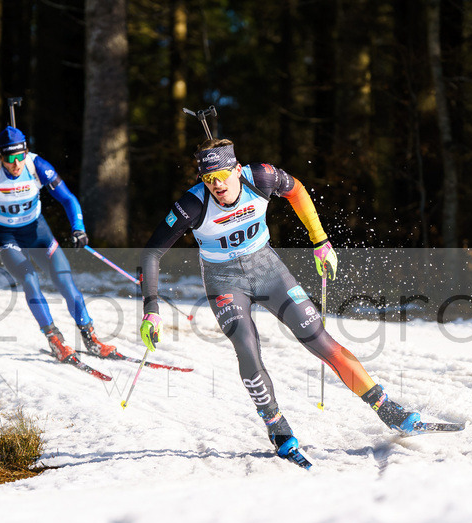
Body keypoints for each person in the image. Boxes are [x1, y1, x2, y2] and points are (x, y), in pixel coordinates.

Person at [138, 137, 420, 468]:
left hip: (268, 269)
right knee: (246, 344)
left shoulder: (261, 178)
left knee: (318, 337)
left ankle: (388, 409)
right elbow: (150, 254)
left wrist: (321, 241)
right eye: (208, 179)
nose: (217, 185)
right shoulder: (193, 205)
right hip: (224, 281)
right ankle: (277, 428)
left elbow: (297, 190)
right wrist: (151, 311)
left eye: (223, 176)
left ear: (237, 169)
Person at [0, 126, 116, 362]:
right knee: (29, 278)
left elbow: (68, 198)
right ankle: (54, 340)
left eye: (20, 155)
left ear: (26, 152)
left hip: (37, 232)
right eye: (10, 158)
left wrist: (78, 228)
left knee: (66, 282)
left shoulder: (37, 166)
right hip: (6, 236)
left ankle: (90, 338)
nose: (16, 163)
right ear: (0, 156)